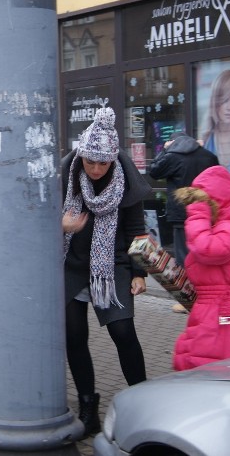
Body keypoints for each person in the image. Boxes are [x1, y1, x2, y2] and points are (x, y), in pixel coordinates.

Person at [60, 107, 152, 437]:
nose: (97, 168)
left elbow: (137, 229)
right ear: (81, 155)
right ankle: (88, 408)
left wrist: (140, 272)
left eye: (104, 163)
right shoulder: (66, 174)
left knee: (123, 333)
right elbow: (39, 218)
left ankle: (143, 402)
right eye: (91, 161)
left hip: (112, 267)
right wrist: (61, 224)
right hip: (71, 266)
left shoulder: (125, 180)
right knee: (73, 335)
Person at [171, 165, 230, 371]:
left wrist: (197, 215)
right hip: (217, 309)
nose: (199, 208)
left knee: (217, 368)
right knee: (211, 364)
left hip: (225, 312)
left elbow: (207, 249)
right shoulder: (229, 225)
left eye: (203, 203)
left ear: (217, 202)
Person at [148, 132, 219, 268]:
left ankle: (187, 286)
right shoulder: (208, 156)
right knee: (202, 252)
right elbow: (217, 180)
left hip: (181, 213)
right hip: (205, 213)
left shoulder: (173, 156)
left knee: (183, 257)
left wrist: (164, 150)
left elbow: (154, 171)